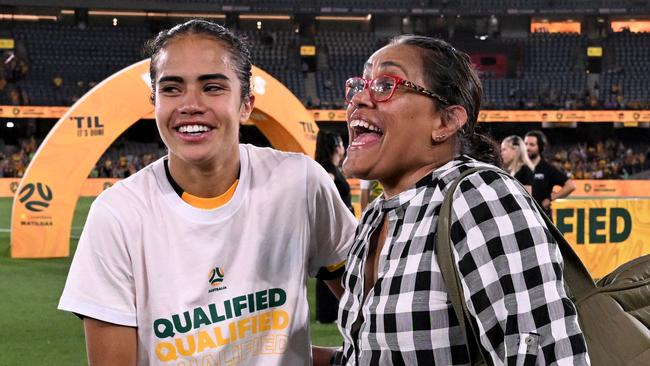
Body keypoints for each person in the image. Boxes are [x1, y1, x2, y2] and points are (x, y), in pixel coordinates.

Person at [58, 19, 356, 365]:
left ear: (246, 104)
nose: (190, 104)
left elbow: (372, 313)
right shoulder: (118, 215)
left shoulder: (300, 182)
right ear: (154, 102)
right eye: (171, 89)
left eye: (212, 87)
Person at [315, 35, 589, 365]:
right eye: (360, 84)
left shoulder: (479, 196)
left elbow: (550, 358)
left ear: (445, 121)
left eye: (386, 84)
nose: (358, 98)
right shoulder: (375, 216)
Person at [314, 130, 352, 324]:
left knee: (334, 273)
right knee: (333, 273)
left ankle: (330, 313)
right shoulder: (327, 170)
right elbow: (324, 184)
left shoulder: (334, 168)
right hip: (334, 231)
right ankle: (328, 314)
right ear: (337, 147)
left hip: (338, 229)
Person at [524, 130, 576, 218]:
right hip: (524, 218)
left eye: (532, 145)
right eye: (525, 144)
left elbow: (571, 185)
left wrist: (552, 198)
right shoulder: (519, 167)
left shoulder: (548, 169)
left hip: (542, 219)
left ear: (540, 147)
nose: (527, 147)